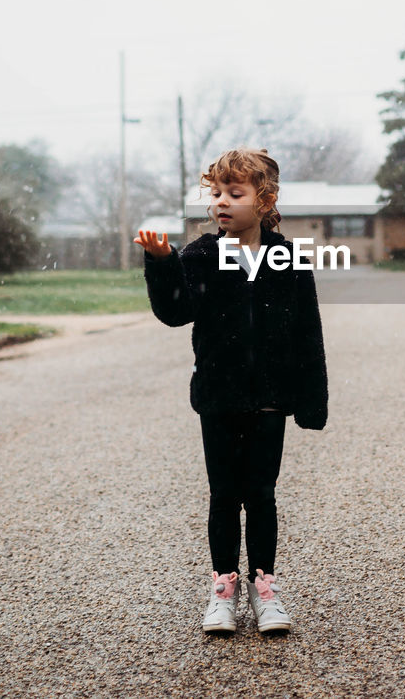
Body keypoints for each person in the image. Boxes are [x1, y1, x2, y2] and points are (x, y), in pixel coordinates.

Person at [134, 147, 327, 635]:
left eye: (234, 193)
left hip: (269, 399)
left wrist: (311, 399)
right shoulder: (200, 255)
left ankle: (265, 590)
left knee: (261, 495)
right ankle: (223, 589)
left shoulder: (289, 259)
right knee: (223, 496)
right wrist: (161, 263)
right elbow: (175, 311)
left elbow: (308, 332)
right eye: (215, 192)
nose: (221, 202)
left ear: (265, 200)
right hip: (219, 399)